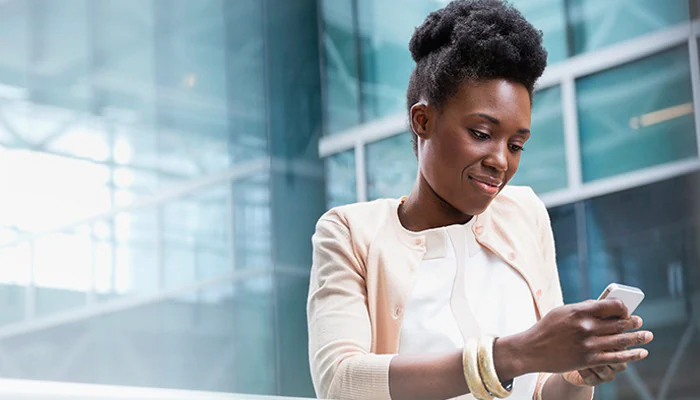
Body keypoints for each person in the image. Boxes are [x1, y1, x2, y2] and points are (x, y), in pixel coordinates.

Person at [306, 1, 653, 399]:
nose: (501, 161)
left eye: (517, 144)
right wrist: (512, 355)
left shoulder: (523, 214)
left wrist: (575, 375)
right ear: (423, 121)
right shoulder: (351, 233)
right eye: (481, 133)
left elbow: (541, 391)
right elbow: (339, 381)